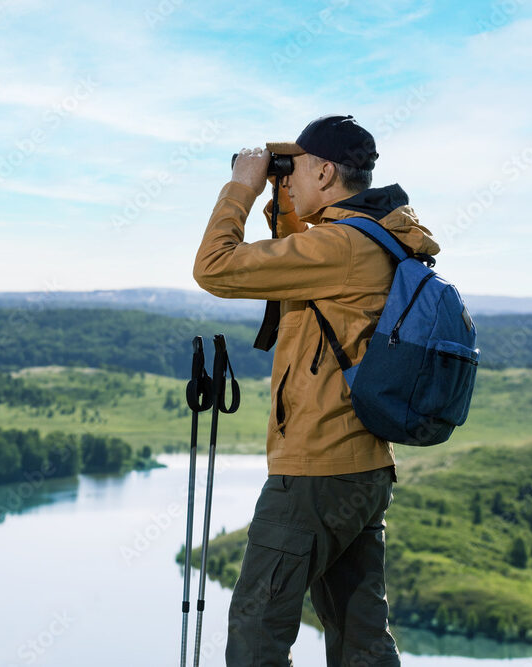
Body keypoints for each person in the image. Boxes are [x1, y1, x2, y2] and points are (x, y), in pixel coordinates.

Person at [192, 114, 440, 666]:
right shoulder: (373, 237)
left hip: (316, 473)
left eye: (296, 167)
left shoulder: (339, 247)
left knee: (258, 630)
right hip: (364, 465)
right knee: (360, 636)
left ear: (326, 171)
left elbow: (214, 268)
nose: (289, 176)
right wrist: (283, 201)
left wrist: (242, 188)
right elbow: (301, 271)